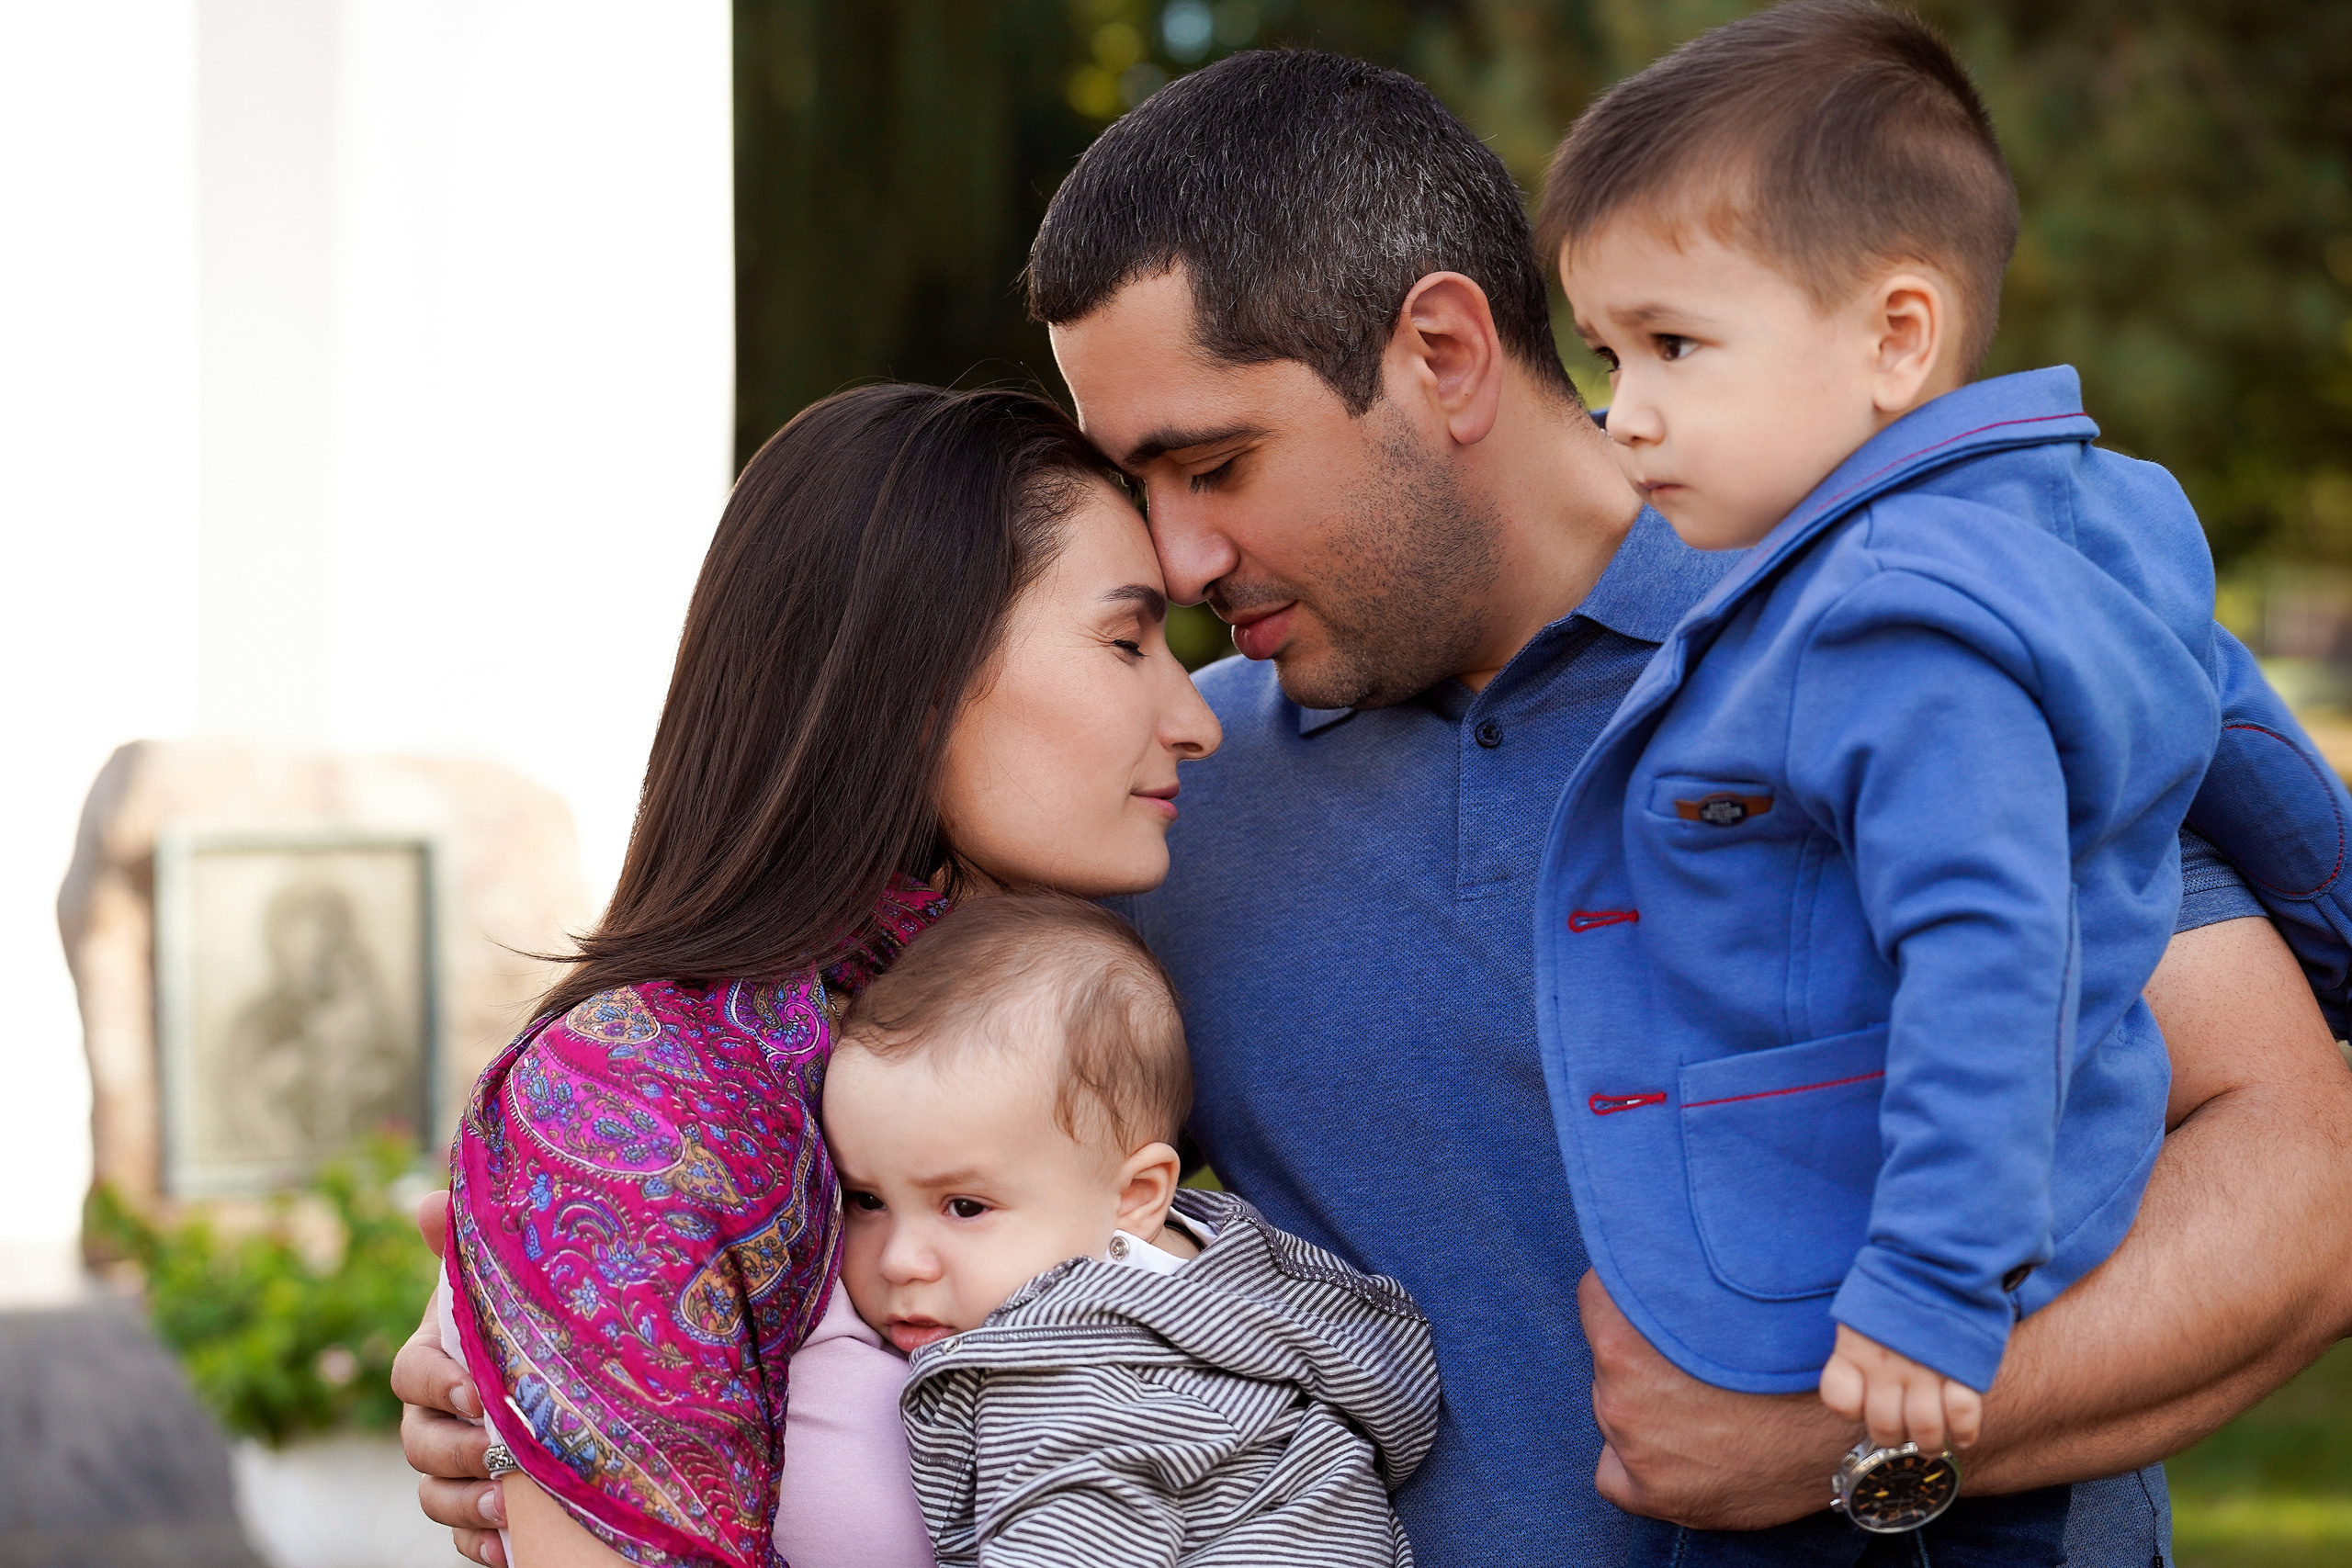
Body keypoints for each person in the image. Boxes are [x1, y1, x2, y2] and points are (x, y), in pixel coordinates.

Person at [400, 47, 2352, 1568]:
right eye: (1130, 485)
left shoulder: (1883, 651)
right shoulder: (1167, 796)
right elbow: (808, 1094)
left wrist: (1857, 1428)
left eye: (1210, 457)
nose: (1170, 550)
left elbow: (2299, 1164)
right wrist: (510, 1331)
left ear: (1434, 355)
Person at [1526, 7, 2218, 1561]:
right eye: (1607, 354)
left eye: (1675, 346)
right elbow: (2242, 736)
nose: (1623, 410)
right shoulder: (2074, 521)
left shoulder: (1887, 613)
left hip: (1883, 1330)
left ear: (1896, 337)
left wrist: (1929, 1278)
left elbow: (1989, 949)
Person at [425, 381, 1219, 1568]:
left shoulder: (1078, 1006)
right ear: (914, 676)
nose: (1195, 716)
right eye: (1123, 641)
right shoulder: (629, 1098)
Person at [827, 890, 1438, 1566]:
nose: (902, 1261)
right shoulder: (1255, 1274)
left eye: (964, 1206)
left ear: (1137, 1195)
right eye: (866, 1200)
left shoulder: (1055, 1388)